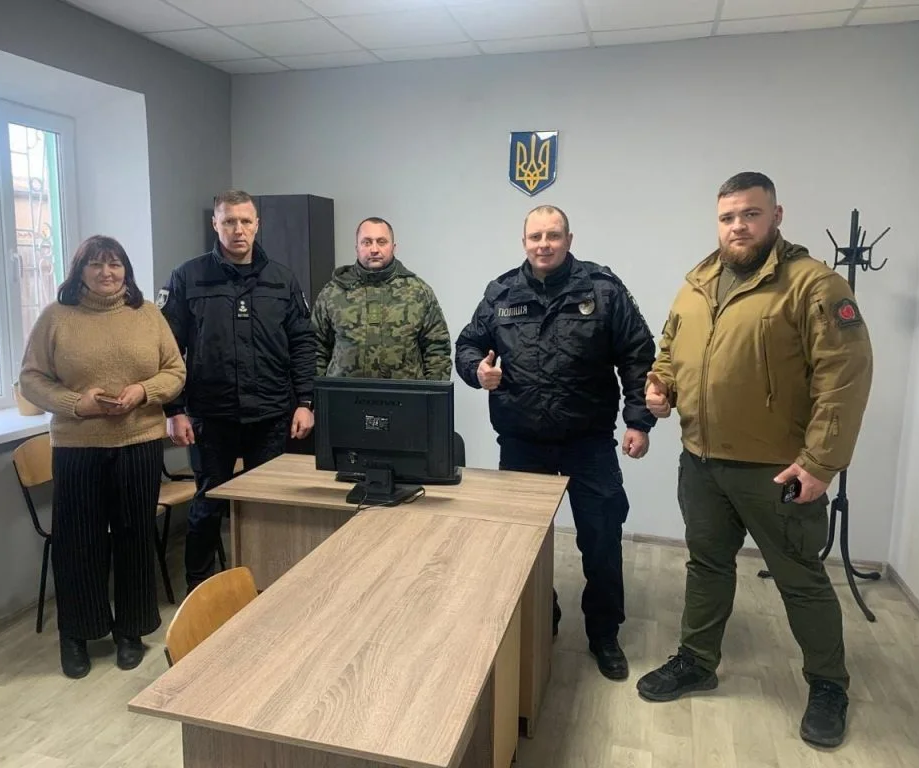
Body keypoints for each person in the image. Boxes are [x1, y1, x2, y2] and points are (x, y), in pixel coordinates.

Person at [635, 172, 874, 749]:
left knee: (800, 579)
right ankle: (697, 660)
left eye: (750, 214)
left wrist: (820, 463)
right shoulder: (696, 284)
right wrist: (660, 388)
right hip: (702, 463)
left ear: (776, 216)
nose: (738, 226)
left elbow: (844, 377)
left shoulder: (814, 285)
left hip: (778, 470)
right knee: (706, 566)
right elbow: (669, 352)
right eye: (727, 217)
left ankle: (828, 685)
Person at [455, 204, 656, 681]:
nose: (543, 244)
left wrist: (639, 421)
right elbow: (466, 345)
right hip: (522, 441)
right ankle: (541, 616)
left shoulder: (602, 290)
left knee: (602, 540)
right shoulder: (501, 293)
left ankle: (603, 633)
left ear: (568, 239)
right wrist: (477, 371)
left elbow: (637, 355)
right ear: (523, 241)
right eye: (535, 236)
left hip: (588, 442)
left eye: (553, 235)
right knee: (522, 544)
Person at [19, 235, 186, 679]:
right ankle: (77, 634)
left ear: (126, 270)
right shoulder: (56, 318)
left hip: (138, 442)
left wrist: (143, 391)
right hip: (78, 447)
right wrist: (77, 403)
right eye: (96, 264)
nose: (106, 273)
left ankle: (131, 630)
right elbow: (31, 379)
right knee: (78, 541)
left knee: (134, 536)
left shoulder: (147, 314)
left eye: (114, 264)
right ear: (80, 272)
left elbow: (175, 371)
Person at [160, 190, 316, 593]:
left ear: (257, 224)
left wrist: (306, 401)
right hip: (211, 415)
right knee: (208, 503)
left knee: (269, 504)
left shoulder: (282, 278)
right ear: (215, 224)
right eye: (229, 221)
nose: (238, 229)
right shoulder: (188, 277)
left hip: (271, 413)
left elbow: (303, 342)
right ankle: (200, 590)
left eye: (245, 221)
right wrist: (174, 410)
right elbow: (167, 349)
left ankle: (268, 583)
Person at [311, 217, 451, 380]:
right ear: (357, 248)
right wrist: (317, 393)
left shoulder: (418, 292)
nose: (374, 249)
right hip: (344, 394)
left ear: (393, 247)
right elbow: (315, 349)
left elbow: (437, 350)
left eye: (381, 242)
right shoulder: (333, 292)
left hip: (404, 394)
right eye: (367, 242)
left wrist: (432, 395)